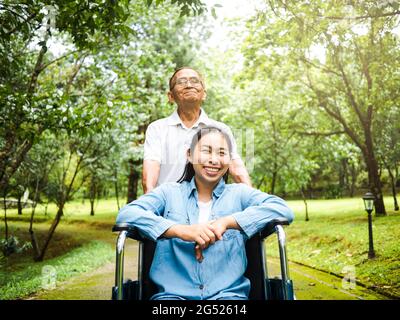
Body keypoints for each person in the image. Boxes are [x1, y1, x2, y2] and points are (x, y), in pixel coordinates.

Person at [117, 126, 294, 300]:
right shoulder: (168, 193)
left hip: (228, 296)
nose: (214, 160)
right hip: (173, 297)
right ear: (189, 154)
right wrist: (180, 230)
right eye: (207, 151)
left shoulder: (239, 194)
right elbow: (127, 214)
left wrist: (227, 222)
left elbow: (282, 208)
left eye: (222, 153)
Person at [142, 66, 252, 194]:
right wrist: (150, 201)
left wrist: (254, 198)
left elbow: (235, 165)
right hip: (168, 207)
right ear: (171, 96)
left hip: (211, 206)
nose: (189, 85)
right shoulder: (157, 129)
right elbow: (151, 168)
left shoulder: (221, 129)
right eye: (181, 82)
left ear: (204, 94)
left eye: (194, 81)